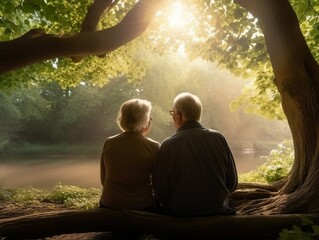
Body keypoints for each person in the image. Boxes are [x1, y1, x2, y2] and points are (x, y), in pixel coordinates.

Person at [153, 92, 238, 217]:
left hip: (181, 213)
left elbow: (161, 193)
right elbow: (232, 183)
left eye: (172, 113)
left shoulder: (168, 145)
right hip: (217, 209)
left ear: (178, 115)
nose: (172, 117)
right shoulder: (218, 138)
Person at [99, 98, 160, 211]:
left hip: (109, 204)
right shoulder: (153, 146)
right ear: (145, 120)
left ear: (122, 118)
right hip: (141, 206)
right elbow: (157, 185)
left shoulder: (109, 142)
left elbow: (103, 179)